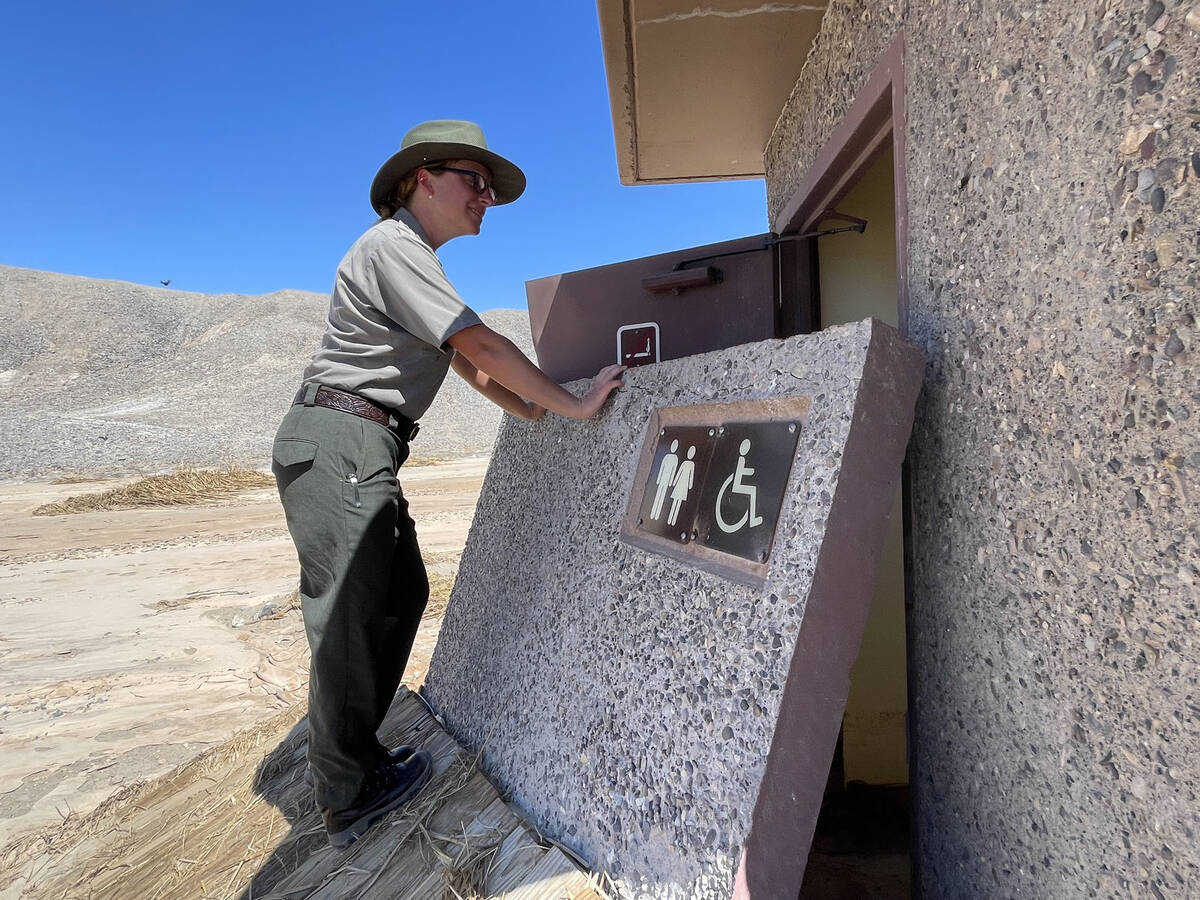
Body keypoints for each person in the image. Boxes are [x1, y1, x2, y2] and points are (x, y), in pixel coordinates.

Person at [271, 120, 625, 849]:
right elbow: (479, 343)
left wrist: (531, 408)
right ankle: (346, 794)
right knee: (350, 617)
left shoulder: (415, 261)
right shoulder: (394, 247)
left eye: (489, 187)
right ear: (423, 178)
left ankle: (357, 757)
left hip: (363, 441)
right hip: (341, 437)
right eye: (475, 180)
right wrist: (576, 404)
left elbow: (466, 365)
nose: (486, 197)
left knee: (400, 593)